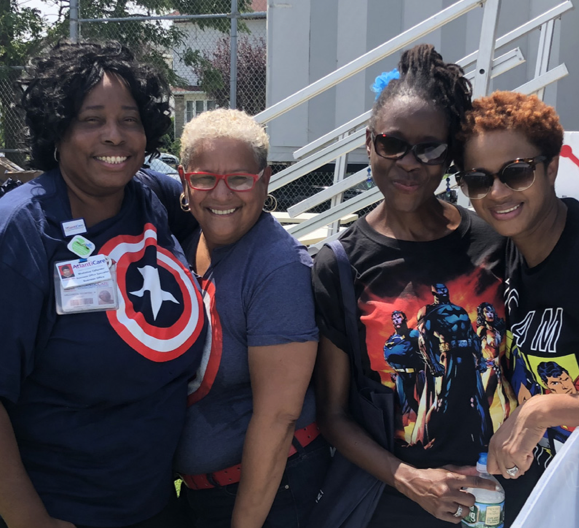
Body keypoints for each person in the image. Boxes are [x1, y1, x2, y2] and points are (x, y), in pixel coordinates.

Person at [312, 44, 533, 528]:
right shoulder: (340, 265)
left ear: (449, 155)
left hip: (505, 497)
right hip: (396, 505)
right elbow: (333, 413)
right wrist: (411, 479)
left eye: (429, 147)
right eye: (393, 143)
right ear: (370, 143)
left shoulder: (497, 242)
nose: (409, 162)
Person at [0, 40, 207, 528]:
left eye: (129, 119)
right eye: (91, 119)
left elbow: (226, 207)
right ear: (58, 127)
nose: (114, 135)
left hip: (157, 505)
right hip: (62, 513)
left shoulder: (149, 196)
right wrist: (29, 519)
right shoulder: (24, 230)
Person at [173, 108, 330, 528]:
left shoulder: (277, 267)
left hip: (270, 497)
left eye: (240, 179)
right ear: (184, 179)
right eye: (205, 178)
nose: (221, 195)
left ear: (265, 180)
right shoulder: (188, 244)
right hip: (200, 493)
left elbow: (279, 418)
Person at [455, 90, 579, 479]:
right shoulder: (499, 255)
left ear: (552, 169)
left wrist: (546, 409)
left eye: (517, 172)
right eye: (478, 180)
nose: (497, 192)